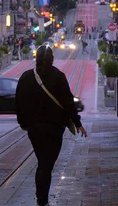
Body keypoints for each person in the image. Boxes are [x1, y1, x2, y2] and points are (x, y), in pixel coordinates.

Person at [15, 45, 87, 206]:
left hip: (33, 129)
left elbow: (18, 103)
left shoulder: (25, 78)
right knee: (46, 164)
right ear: (51, 59)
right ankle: (42, 201)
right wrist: (78, 123)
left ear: (36, 59)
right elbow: (68, 103)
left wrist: (23, 124)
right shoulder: (58, 76)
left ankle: (41, 199)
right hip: (54, 129)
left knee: (43, 162)